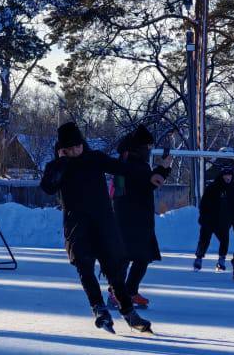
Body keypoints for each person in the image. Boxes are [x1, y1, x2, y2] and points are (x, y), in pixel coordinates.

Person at [40, 122, 152, 334]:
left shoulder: (95, 159)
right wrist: (61, 162)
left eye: (78, 146)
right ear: (62, 148)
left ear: (83, 143)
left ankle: (128, 311)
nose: (75, 151)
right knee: (85, 268)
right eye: (70, 148)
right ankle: (99, 308)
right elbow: (47, 187)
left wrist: (153, 171)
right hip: (77, 226)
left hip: (104, 223)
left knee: (115, 269)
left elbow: (123, 169)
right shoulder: (58, 167)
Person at [110, 125, 168, 308]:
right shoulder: (134, 164)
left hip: (131, 218)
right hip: (133, 219)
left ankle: (128, 291)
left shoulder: (125, 161)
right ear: (140, 147)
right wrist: (164, 167)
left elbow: (145, 183)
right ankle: (118, 292)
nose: (150, 150)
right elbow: (152, 182)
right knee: (134, 257)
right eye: (148, 147)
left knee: (137, 257)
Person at [194, 165, 233, 272]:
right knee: (204, 239)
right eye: (226, 175)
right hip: (209, 219)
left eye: (229, 175)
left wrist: (232, 219)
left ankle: (221, 261)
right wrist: (202, 216)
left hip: (223, 221)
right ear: (222, 176)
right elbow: (204, 203)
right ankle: (198, 259)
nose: (228, 177)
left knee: (224, 240)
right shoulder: (213, 187)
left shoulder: (233, 189)